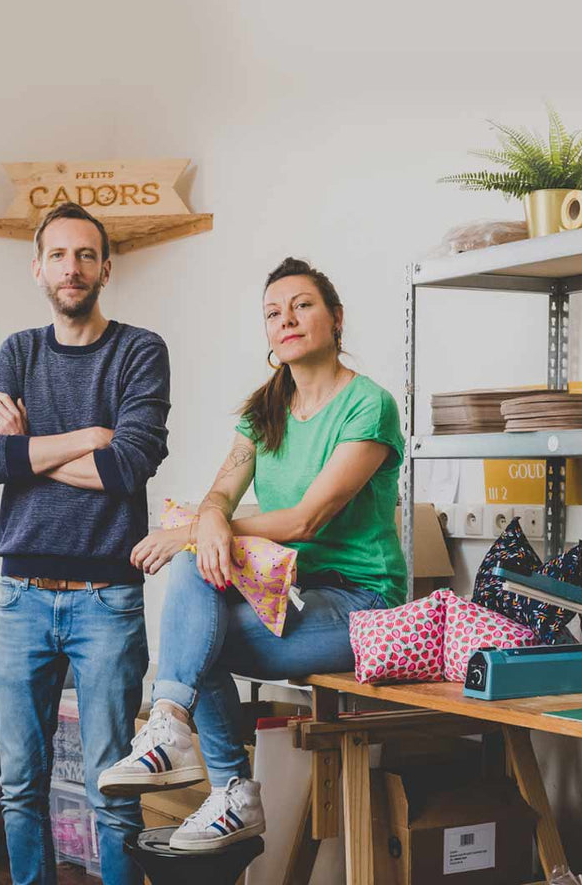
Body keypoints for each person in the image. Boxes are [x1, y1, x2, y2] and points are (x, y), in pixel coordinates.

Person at [97, 256, 405, 852]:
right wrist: (207, 521)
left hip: (363, 604)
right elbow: (219, 494)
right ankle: (177, 730)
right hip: (291, 590)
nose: (286, 319)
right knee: (196, 575)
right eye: (273, 312)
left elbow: (307, 518)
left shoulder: (369, 405)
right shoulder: (263, 413)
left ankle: (221, 779)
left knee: (197, 626)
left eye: (302, 306)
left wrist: (199, 530)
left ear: (336, 318)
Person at [0, 202, 171, 885]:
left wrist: (26, 448)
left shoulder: (139, 351)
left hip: (107, 599)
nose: (71, 268)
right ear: (38, 269)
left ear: (106, 268)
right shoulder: (19, 351)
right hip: (21, 597)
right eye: (58, 255)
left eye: (85, 255)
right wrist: (84, 437)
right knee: (19, 784)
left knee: (114, 787)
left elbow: (127, 467)